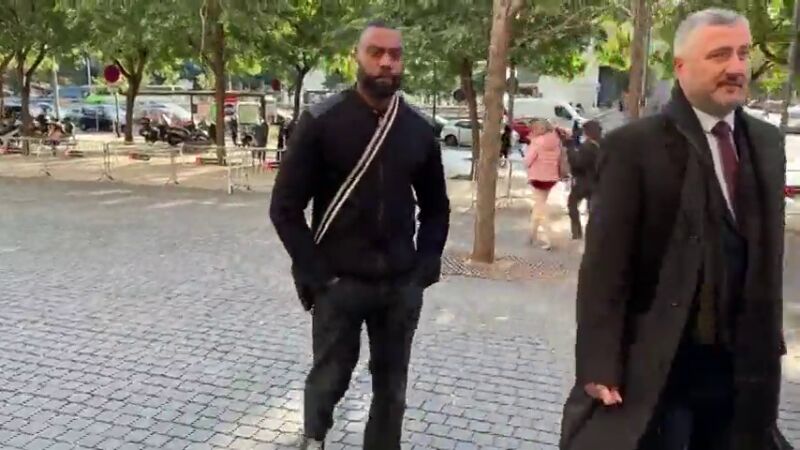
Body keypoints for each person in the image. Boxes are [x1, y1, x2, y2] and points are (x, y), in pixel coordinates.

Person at [560, 8, 790, 450]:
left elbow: (767, 252)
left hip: (743, 369)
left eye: (743, 53)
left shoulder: (766, 142)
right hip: (662, 366)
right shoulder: (633, 147)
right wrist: (599, 361)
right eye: (720, 55)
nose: (736, 67)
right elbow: (605, 265)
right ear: (681, 67)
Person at [269, 19, 450, 450]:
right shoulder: (321, 122)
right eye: (376, 52)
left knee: (392, 388)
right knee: (329, 377)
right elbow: (285, 208)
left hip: (400, 284)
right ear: (357, 57)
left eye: (395, 54)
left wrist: (423, 267)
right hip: (340, 282)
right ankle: (313, 440)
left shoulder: (418, 129)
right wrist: (319, 275)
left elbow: (436, 207)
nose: (387, 62)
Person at [523, 119, 564, 250]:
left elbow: (527, 161)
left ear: (539, 129)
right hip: (551, 178)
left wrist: (530, 145)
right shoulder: (556, 141)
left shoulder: (537, 142)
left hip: (538, 177)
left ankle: (549, 238)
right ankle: (531, 235)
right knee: (539, 206)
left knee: (540, 208)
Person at [566, 120, 601, 240]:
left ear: (587, 132)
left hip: (583, 182)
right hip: (597, 182)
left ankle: (577, 232)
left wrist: (570, 149)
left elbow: (578, 163)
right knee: (593, 209)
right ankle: (595, 232)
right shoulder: (603, 144)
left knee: (572, 204)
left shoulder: (587, 147)